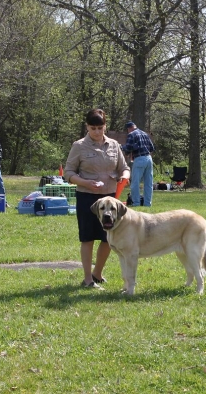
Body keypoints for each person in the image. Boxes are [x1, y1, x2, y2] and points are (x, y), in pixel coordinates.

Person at [64, 109, 130, 289]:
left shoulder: (114, 145)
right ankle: (87, 279)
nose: (97, 132)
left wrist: (124, 176)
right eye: (93, 128)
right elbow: (68, 173)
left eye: (100, 128)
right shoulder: (79, 146)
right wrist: (85, 182)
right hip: (87, 197)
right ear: (87, 127)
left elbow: (124, 167)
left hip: (110, 198)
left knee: (107, 237)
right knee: (88, 237)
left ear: (105, 127)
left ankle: (97, 273)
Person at [121, 121, 155, 207]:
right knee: (148, 183)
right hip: (149, 158)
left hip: (139, 159)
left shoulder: (131, 134)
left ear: (129, 128)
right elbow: (152, 148)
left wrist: (120, 147)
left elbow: (128, 148)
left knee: (135, 183)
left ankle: (136, 203)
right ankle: (148, 204)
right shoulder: (144, 134)